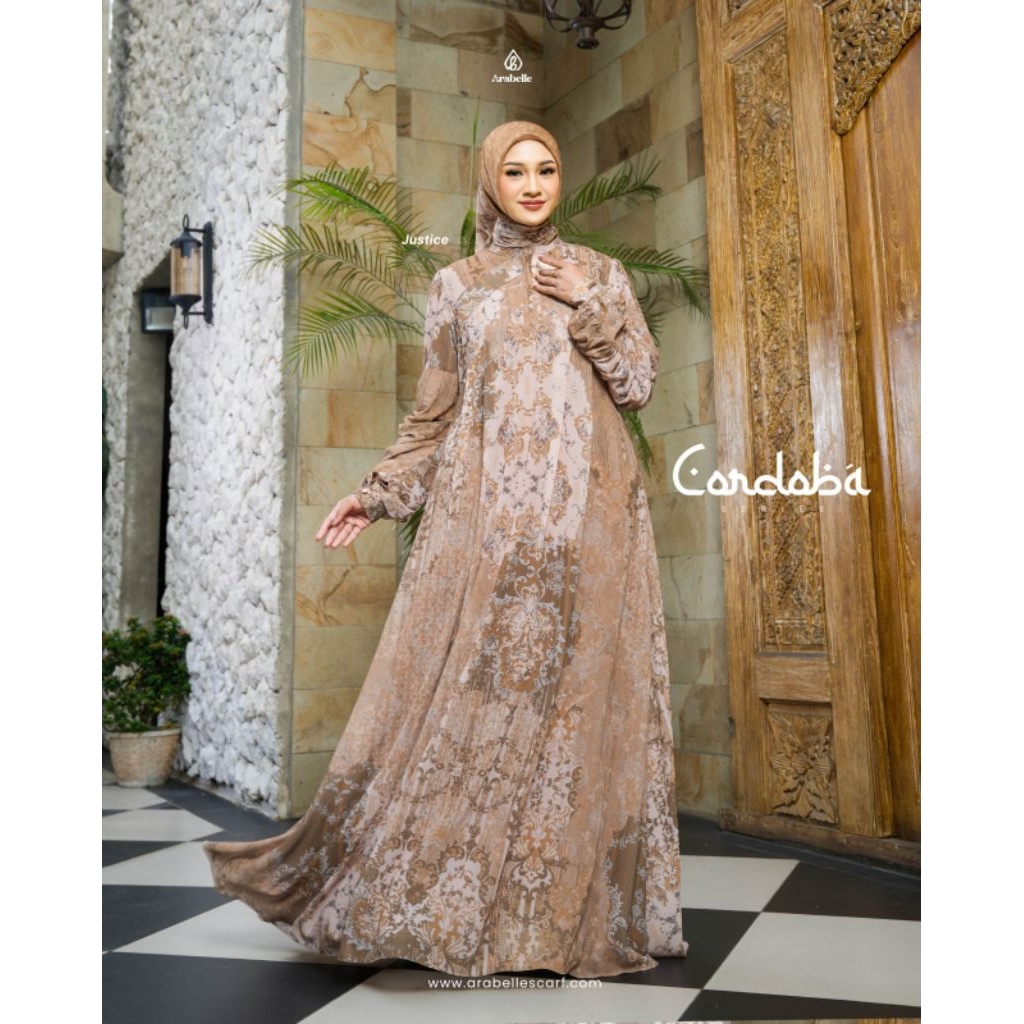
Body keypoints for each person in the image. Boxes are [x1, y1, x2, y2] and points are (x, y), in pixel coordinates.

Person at [205, 120, 688, 979]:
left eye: (546, 168)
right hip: (489, 530)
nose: (533, 184)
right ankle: (457, 905)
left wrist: (590, 300)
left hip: (592, 526)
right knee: (479, 705)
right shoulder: (456, 285)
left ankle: (557, 917)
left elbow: (639, 385)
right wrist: (377, 492)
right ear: (490, 181)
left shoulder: (600, 273)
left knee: (580, 716)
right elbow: (436, 416)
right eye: (516, 170)